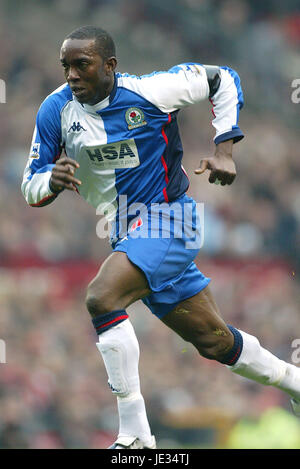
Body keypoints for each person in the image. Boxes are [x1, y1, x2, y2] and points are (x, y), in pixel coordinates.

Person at [21, 25, 300, 449]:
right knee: (215, 341)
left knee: (101, 297)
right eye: (66, 67)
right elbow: (31, 184)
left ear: (110, 66)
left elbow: (221, 78)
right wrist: (50, 182)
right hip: (127, 235)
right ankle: (294, 382)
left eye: (82, 65)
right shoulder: (54, 111)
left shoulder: (152, 92)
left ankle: (135, 435)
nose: (72, 75)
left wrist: (225, 149)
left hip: (171, 219)